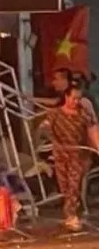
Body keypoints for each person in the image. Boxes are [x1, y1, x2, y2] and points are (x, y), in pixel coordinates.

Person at [44, 84, 99, 231]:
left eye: (78, 99)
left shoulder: (84, 115)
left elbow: (92, 133)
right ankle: (71, 213)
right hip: (60, 154)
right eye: (73, 98)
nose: (76, 102)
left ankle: (72, 215)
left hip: (78, 154)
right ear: (67, 97)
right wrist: (53, 141)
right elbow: (46, 130)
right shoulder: (54, 114)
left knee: (74, 184)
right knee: (65, 186)